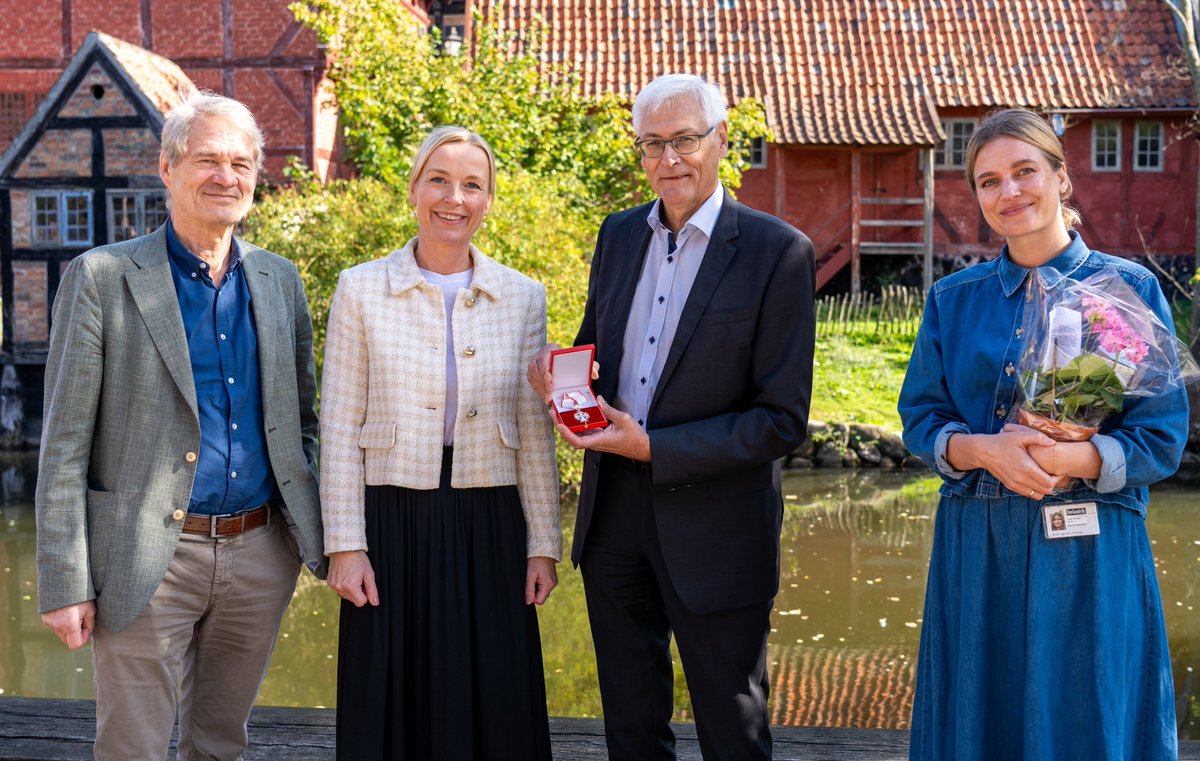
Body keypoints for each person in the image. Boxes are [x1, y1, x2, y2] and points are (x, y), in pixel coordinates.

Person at [527, 73, 815, 761]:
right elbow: (598, 350)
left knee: (732, 727)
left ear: (721, 139)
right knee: (631, 726)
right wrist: (563, 377)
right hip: (613, 517)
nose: (669, 159)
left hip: (719, 526)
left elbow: (781, 420)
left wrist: (653, 446)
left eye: (685, 139)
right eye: (652, 144)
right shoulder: (619, 234)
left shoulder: (779, 251)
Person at [35, 90, 325, 760]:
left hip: (259, 555)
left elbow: (301, 421)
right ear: (167, 168)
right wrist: (64, 580)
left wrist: (297, 534)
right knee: (132, 748)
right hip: (144, 556)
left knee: (220, 744)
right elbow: (65, 444)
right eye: (208, 160)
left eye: (241, 163)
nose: (227, 176)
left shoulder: (279, 280)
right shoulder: (102, 277)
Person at [898, 107, 1187, 760]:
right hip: (979, 550)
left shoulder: (1128, 290)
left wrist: (1071, 458)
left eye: (1024, 171)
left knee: (1087, 723)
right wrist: (985, 451)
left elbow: (1162, 439)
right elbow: (921, 419)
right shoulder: (952, 299)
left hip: (1090, 553)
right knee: (982, 722)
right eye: (989, 181)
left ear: (1061, 178)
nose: (1009, 191)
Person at [320, 126, 561, 761]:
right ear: (414, 190)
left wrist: (543, 544)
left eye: (472, 185)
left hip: (491, 518)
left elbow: (533, 430)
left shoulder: (524, 296)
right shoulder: (359, 288)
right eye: (440, 180)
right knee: (393, 693)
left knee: (495, 692)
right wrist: (344, 545)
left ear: (488, 200)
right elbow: (338, 426)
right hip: (390, 518)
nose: (455, 198)